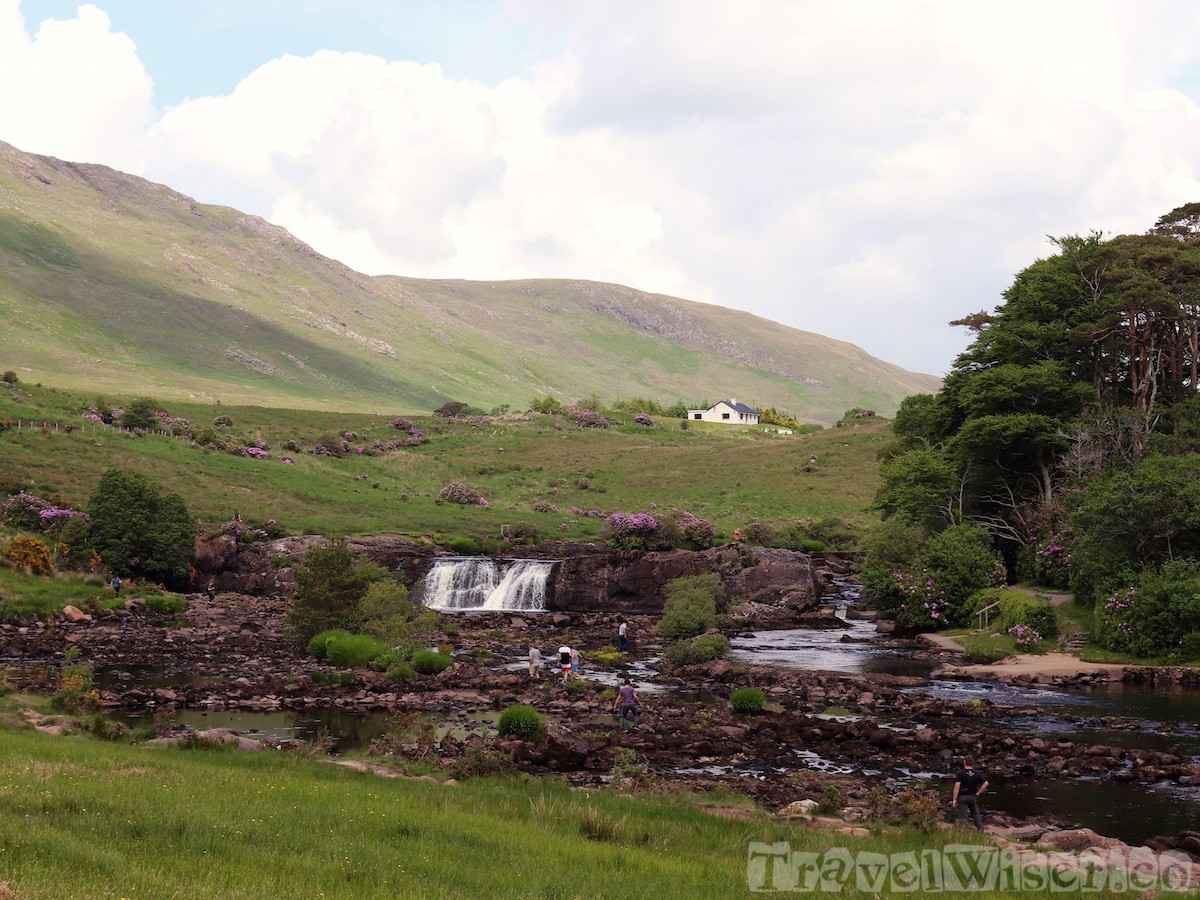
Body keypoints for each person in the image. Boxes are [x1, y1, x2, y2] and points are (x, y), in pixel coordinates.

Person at [952, 757, 989, 832]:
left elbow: (957, 787)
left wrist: (954, 799)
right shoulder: (976, 773)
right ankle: (980, 830)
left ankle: (964, 832)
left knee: (963, 816)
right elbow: (986, 783)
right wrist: (978, 793)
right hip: (972, 797)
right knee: (975, 813)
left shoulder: (961, 773)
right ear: (972, 763)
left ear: (964, 762)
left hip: (962, 797)